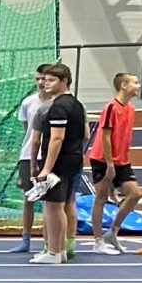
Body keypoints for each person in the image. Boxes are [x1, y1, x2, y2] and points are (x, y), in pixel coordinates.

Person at [24, 63, 84, 266]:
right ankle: (61, 250)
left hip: (59, 162)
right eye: (45, 79)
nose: (46, 83)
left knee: (53, 206)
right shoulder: (76, 104)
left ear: (64, 81)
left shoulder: (58, 106)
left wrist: (47, 168)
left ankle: (54, 251)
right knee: (63, 205)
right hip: (73, 158)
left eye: (51, 80)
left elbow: (57, 138)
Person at [87, 73, 142, 255]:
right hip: (103, 159)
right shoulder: (111, 107)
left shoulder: (131, 109)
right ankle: (98, 241)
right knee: (101, 198)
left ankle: (112, 232)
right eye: (135, 83)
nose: (138, 86)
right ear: (123, 86)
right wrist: (110, 165)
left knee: (135, 194)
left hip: (122, 160)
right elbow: (105, 137)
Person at [12, 72, 47, 254]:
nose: (41, 82)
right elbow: (29, 131)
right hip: (28, 155)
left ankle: (50, 241)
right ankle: (25, 239)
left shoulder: (58, 104)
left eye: (44, 79)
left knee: (50, 201)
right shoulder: (28, 102)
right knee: (29, 198)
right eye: (38, 79)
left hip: (49, 156)